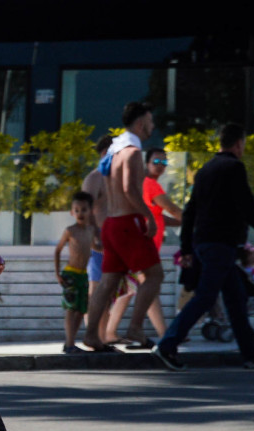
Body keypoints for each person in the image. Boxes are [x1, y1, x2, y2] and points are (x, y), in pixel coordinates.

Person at [153, 123, 254, 370]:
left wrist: (188, 248)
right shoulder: (234, 167)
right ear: (238, 144)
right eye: (243, 144)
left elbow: (190, 212)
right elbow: (247, 207)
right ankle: (167, 346)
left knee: (235, 299)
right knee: (205, 297)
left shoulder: (205, 171)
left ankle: (252, 354)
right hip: (220, 246)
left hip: (206, 245)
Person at [82, 102, 164, 351]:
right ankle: (135, 328)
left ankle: (91, 336)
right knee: (154, 275)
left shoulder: (113, 152)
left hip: (112, 225)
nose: (152, 126)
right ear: (140, 124)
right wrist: (148, 215)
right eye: (150, 122)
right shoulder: (132, 152)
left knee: (107, 282)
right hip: (128, 223)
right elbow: (129, 189)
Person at [104, 146, 182, 343]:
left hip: (142, 245)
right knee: (144, 287)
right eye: (156, 162)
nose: (161, 166)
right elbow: (172, 208)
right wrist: (196, 221)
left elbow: (159, 216)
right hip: (142, 245)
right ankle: (161, 335)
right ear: (147, 163)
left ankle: (112, 332)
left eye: (164, 162)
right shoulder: (151, 185)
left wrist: (182, 222)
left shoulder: (146, 184)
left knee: (138, 289)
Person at [53, 191, 98, 353]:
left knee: (81, 310)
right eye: (77, 210)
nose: (80, 213)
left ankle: (71, 342)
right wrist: (58, 273)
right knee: (71, 308)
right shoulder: (70, 230)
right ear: (72, 212)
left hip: (83, 275)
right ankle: (69, 343)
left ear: (90, 211)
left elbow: (94, 247)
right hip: (70, 273)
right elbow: (58, 250)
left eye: (84, 209)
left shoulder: (91, 230)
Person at [80, 135, 112, 307]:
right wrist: (93, 237)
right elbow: (85, 210)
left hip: (114, 242)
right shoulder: (94, 178)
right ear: (106, 153)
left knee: (112, 291)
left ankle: (106, 332)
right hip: (98, 242)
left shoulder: (116, 178)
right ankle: (92, 332)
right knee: (97, 288)